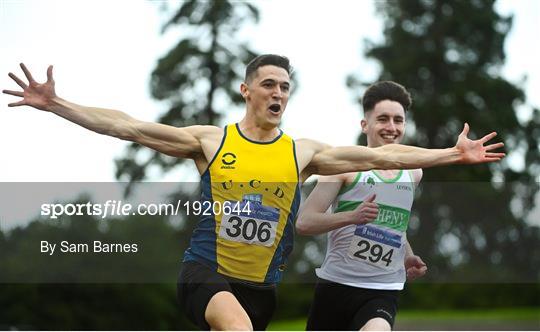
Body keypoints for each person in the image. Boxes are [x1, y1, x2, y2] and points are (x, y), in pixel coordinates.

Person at [3, 55, 504, 331]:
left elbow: (383, 158)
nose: (278, 93)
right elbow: (128, 127)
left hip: (261, 289)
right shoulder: (211, 140)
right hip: (205, 273)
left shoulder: (301, 153)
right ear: (247, 90)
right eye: (269, 84)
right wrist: (58, 104)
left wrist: (450, 155)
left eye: (285, 86)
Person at [296, 81, 436, 331]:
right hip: (336, 287)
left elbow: (396, 226)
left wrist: (407, 256)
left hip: (383, 290)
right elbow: (305, 222)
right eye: (383, 119)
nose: (391, 127)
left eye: (398, 120)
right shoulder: (345, 166)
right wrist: (352, 217)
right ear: (365, 125)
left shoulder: (413, 173)